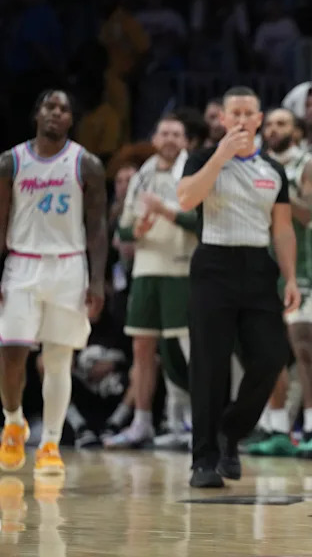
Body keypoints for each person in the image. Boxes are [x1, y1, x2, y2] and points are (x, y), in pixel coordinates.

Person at [176, 86, 300, 488]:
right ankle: (204, 459)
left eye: (250, 112)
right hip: (214, 263)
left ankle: (230, 430)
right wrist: (221, 156)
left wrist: (292, 277)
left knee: (272, 355)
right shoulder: (201, 159)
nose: (243, 119)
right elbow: (185, 199)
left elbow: (282, 229)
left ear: (259, 119)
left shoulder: (273, 171)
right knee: (209, 366)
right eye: (235, 113)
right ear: (224, 120)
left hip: (258, 267)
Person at [0, 90, 108, 475]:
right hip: (22, 263)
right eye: (50, 106)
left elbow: (96, 227)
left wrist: (97, 280)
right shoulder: (11, 161)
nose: (56, 113)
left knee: (58, 360)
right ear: (37, 113)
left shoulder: (87, 164)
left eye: (64, 109)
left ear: (70, 120)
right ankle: (13, 421)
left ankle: (50, 444)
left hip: (68, 265)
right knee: (11, 353)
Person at [105, 114, 196, 449]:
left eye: (177, 133)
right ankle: (141, 422)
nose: (170, 138)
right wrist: (136, 231)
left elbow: (201, 223)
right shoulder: (142, 174)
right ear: (155, 138)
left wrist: (166, 210)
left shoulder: (192, 172)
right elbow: (123, 227)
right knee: (142, 347)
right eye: (164, 133)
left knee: (189, 351)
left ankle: (198, 422)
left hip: (181, 270)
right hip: (145, 269)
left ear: (185, 141)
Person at [248, 107, 312, 456]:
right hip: (266, 269)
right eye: (270, 125)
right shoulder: (256, 166)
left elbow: (311, 214)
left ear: (295, 130)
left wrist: (276, 193)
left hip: (304, 268)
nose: (274, 129)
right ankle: (277, 427)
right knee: (269, 352)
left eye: (282, 123)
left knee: (304, 347)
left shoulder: (308, 165)